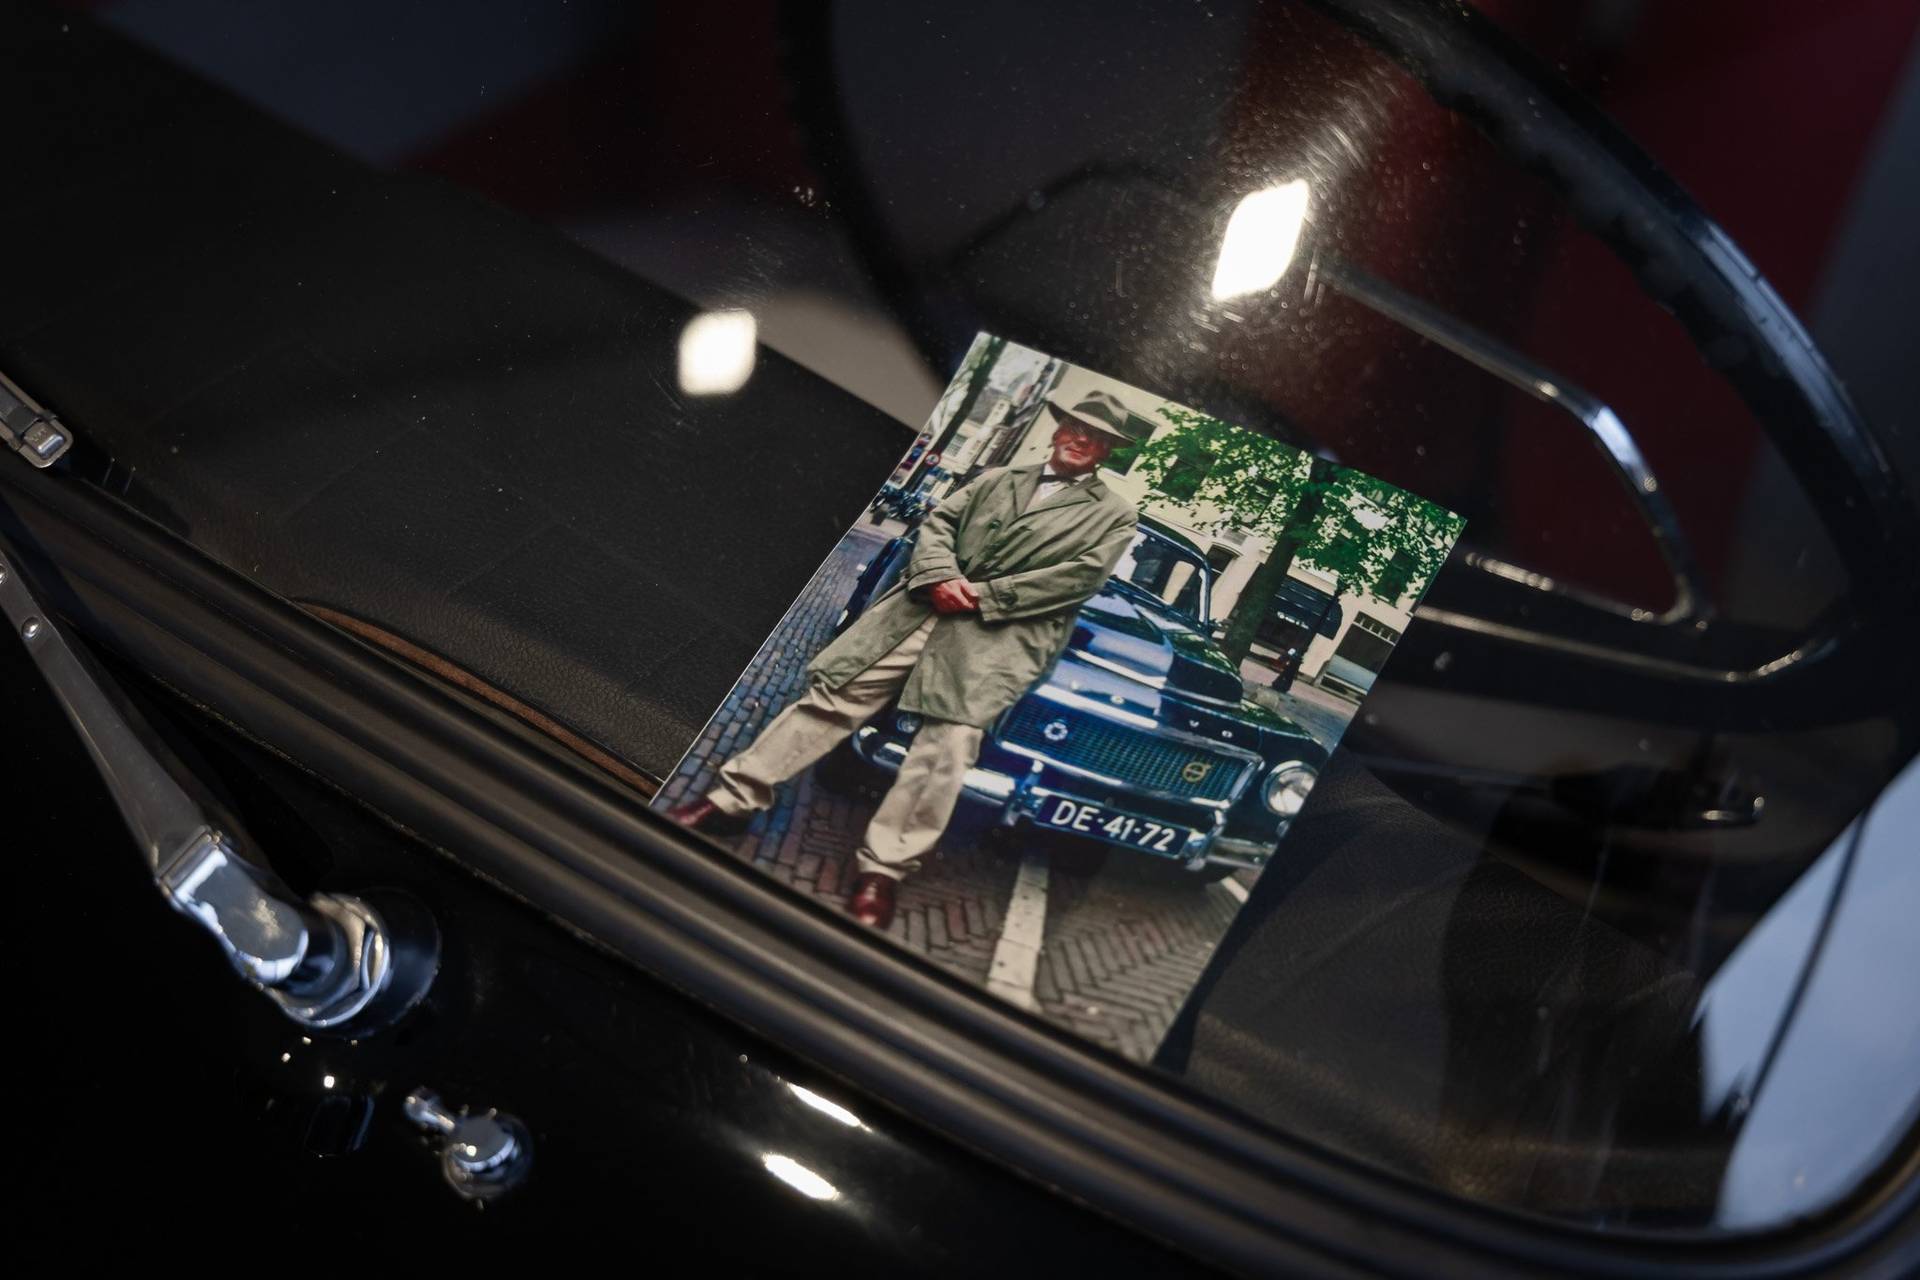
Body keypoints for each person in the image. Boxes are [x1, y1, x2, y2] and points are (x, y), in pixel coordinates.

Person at [666, 391, 1147, 928]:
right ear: (1058, 430)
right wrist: (940, 576)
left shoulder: (1114, 516)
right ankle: (732, 800)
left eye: (1097, 436)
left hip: (995, 639)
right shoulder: (998, 478)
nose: (1082, 439)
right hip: (922, 612)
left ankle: (883, 870)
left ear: (1108, 450)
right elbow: (939, 524)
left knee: (946, 749)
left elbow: (1079, 578)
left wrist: (983, 596)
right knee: (832, 700)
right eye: (1076, 426)